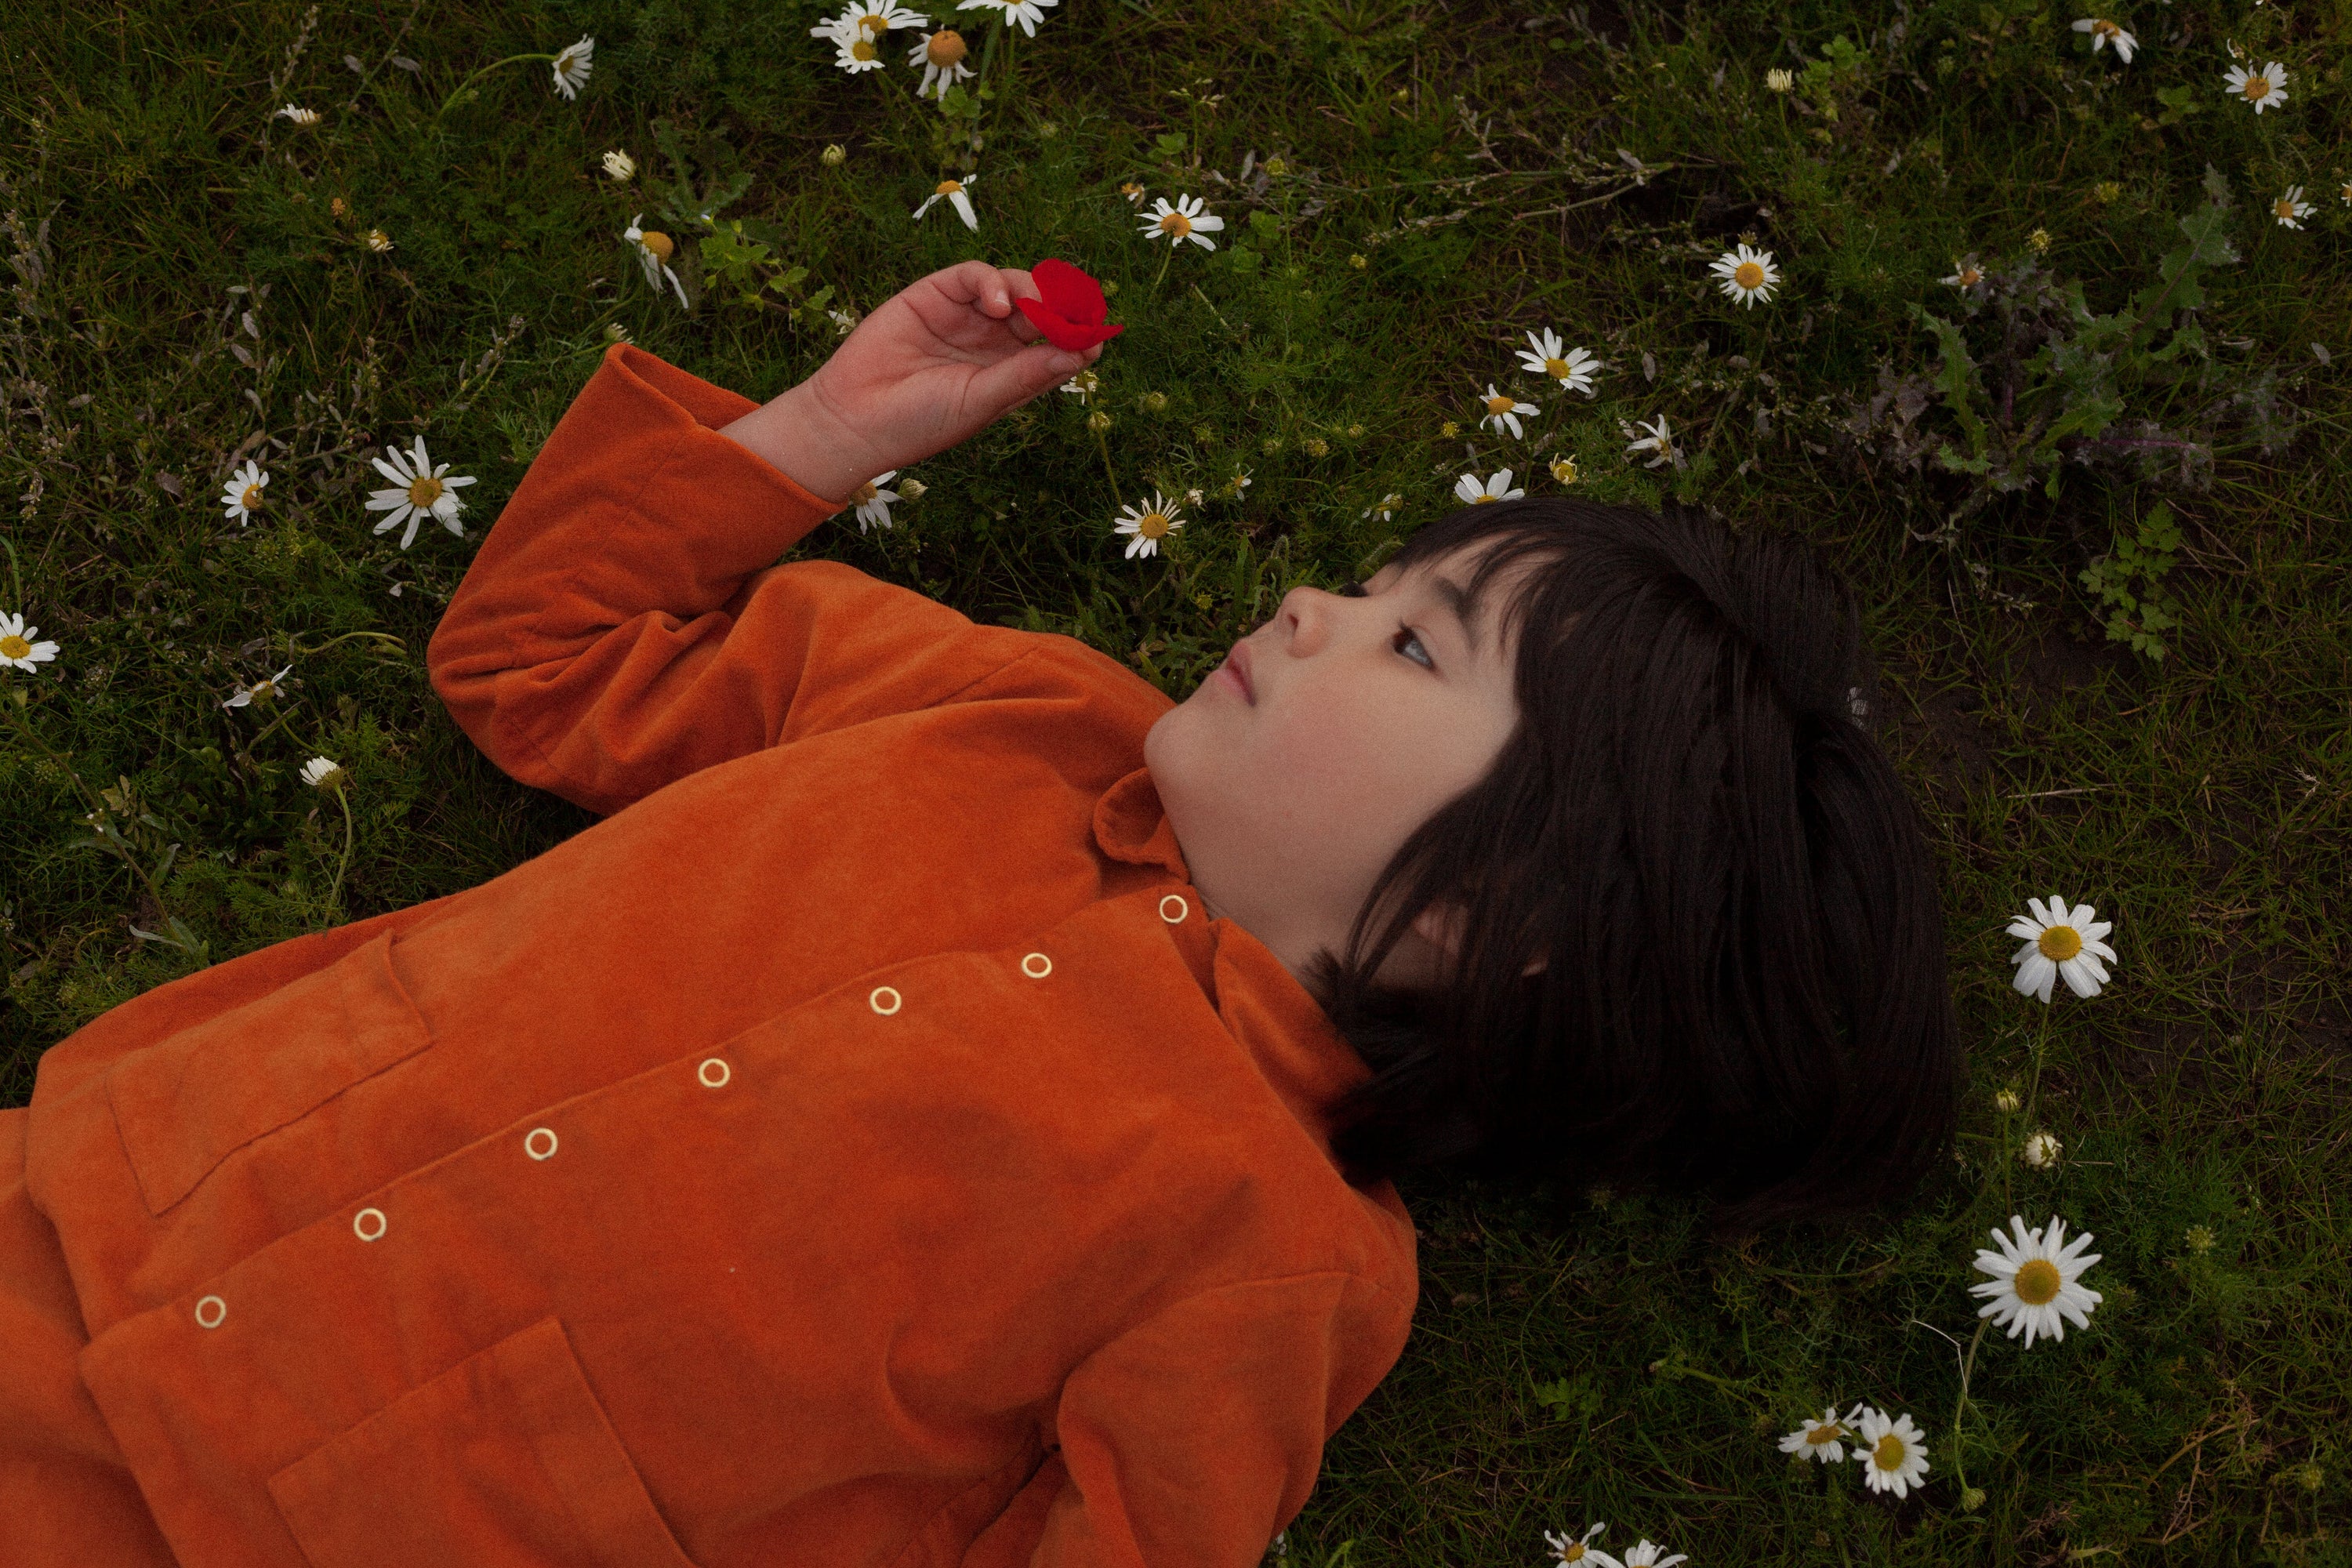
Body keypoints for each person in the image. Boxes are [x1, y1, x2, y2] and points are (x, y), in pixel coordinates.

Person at [0, 260, 1957, 1566]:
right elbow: (534, 658)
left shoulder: (1272, 1259)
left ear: (1517, 913)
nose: (1311, 608)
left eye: (1418, 646)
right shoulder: (1006, 710)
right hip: (88, 1209)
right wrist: (830, 434)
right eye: (1373, 579)